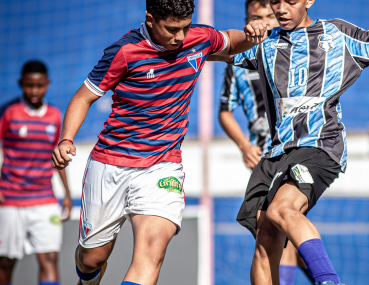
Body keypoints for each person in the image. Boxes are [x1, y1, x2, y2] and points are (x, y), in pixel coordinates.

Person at [227, 0, 369, 284]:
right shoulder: (264, 43)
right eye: (276, 1)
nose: (281, 9)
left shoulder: (337, 34)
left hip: (320, 143)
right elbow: (211, 48)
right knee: (265, 237)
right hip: (275, 153)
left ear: (309, 0)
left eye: (291, 1)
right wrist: (243, 34)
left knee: (281, 209)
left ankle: (329, 281)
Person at [50, 0, 268, 284]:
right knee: (92, 258)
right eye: (172, 30)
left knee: (152, 251)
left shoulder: (198, 38)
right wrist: (66, 139)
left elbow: (231, 41)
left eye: (186, 28)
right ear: (150, 20)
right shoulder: (125, 51)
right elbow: (83, 97)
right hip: (110, 165)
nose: (180, 37)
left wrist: (252, 32)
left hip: (162, 166)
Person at [218, 1, 314, 284]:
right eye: (256, 17)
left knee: (278, 225)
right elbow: (225, 112)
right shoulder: (239, 60)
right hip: (264, 154)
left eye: (269, 16)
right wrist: (244, 146)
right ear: (247, 20)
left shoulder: (294, 51)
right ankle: (324, 275)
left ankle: (323, 276)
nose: (264, 22)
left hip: (297, 148)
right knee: (279, 228)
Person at [0, 60, 72, 285]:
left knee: (50, 258)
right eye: (29, 86)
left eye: (39, 86)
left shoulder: (55, 116)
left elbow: (58, 157)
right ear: (21, 84)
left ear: (47, 84)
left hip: (44, 197)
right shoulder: (8, 112)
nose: (34, 91)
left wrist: (67, 193)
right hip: (11, 199)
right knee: (6, 262)